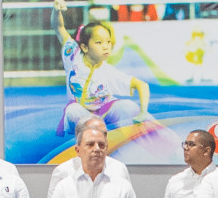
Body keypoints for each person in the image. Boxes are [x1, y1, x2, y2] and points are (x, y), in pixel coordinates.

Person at [57, 15, 155, 145]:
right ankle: (95, 141)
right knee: (73, 110)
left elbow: (141, 85)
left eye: (108, 42)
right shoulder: (72, 55)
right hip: (82, 114)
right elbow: (59, 27)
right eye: (99, 43)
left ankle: (146, 141)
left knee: (128, 106)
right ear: (84, 47)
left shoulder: (108, 71)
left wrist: (143, 112)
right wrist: (57, 10)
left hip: (105, 113)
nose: (106, 47)